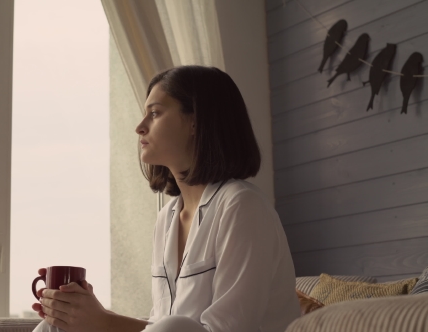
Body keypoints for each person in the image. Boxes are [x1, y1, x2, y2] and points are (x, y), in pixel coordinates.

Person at [31, 65, 301, 332]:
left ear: (196, 121)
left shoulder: (242, 206)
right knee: (54, 327)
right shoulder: (167, 217)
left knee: (172, 327)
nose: (140, 127)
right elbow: (159, 323)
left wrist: (105, 323)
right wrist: (87, 314)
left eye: (155, 113)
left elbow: (223, 329)